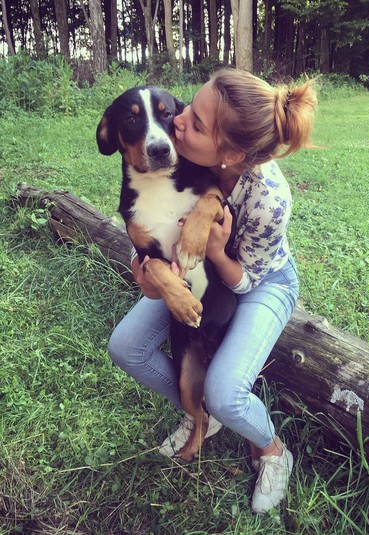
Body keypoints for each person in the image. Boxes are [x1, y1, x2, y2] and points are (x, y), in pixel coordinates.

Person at [108, 68, 317, 513]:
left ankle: (272, 449)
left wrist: (216, 251)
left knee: (226, 391)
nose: (178, 122)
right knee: (126, 346)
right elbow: (150, 237)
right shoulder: (178, 153)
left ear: (231, 152)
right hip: (193, 273)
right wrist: (151, 277)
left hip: (260, 279)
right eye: (185, 109)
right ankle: (199, 414)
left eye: (194, 122)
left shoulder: (270, 198)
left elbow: (244, 280)